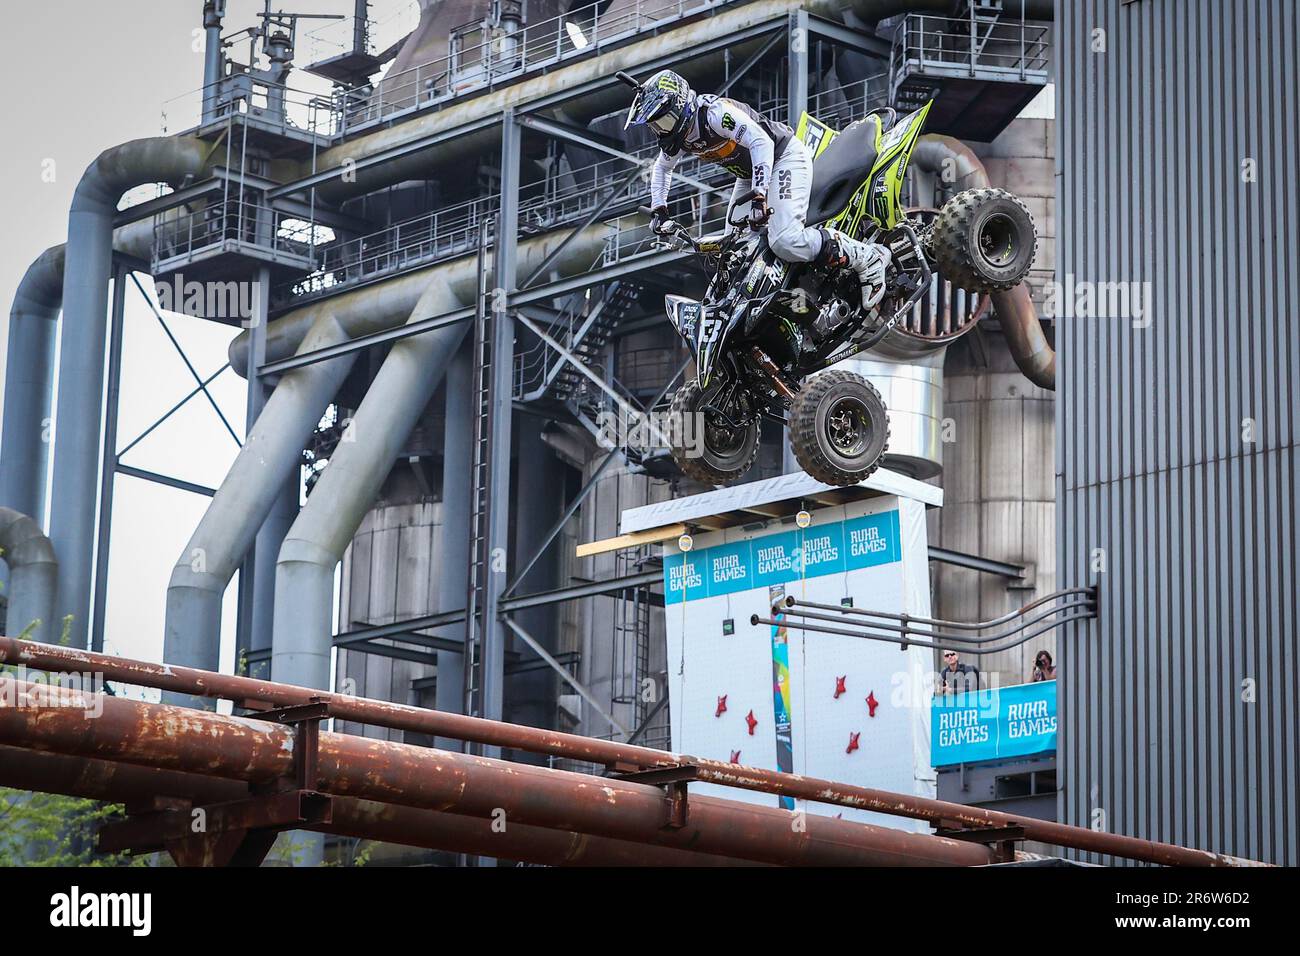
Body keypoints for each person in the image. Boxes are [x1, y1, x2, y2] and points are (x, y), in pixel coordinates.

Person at [624, 69, 890, 308]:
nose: (660, 130)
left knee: (785, 240)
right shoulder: (681, 136)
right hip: (752, 174)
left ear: (680, 106)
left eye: (663, 122)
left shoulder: (715, 115)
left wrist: (760, 194)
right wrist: (660, 210)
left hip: (782, 157)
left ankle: (867, 258)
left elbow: (761, 141)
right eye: (655, 125)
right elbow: (661, 169)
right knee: (732, 252)